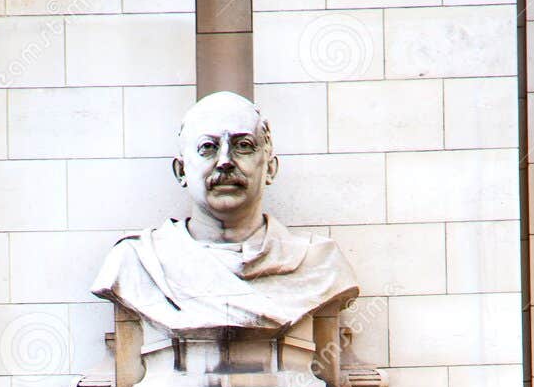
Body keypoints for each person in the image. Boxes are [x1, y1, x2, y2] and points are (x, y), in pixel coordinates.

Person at [92, 90, 357, 335]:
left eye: (243, 145)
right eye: (208, 147)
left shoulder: (320, 265)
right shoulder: (135, 263)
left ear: (270, 168)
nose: (225, 161)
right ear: (181, 171)